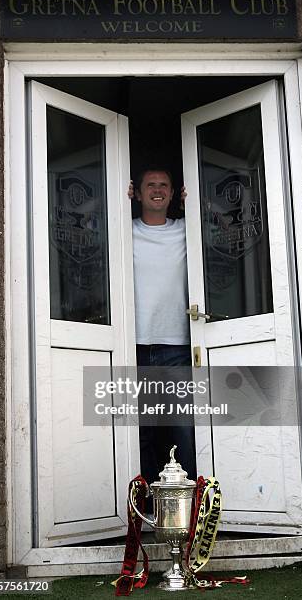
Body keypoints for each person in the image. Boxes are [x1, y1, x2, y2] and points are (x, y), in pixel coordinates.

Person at [128, 168, 196, 483]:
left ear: (172, 193)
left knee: (183, 427)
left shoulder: (187, 229)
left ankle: (191, 502)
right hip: (134, 345)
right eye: (150, 185)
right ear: (138, 193)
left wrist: (195, 203)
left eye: (164, 185)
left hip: (178, 346)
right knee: (142, 430)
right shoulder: (123, 231)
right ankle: (149, 502)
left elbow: (224, 229)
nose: (157, 190)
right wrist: (115, 199)